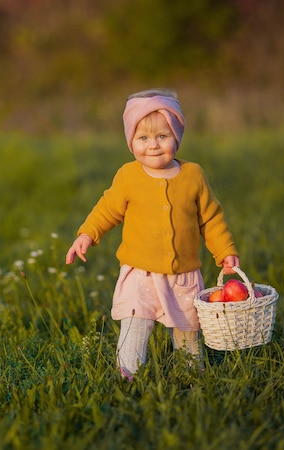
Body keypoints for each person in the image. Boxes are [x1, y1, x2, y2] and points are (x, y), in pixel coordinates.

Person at [65, 88, 239, 379]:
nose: (153, 145)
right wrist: (87, 234)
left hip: (183, 275)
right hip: (140, 273)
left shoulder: (193, 175)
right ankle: (128, 373)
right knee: (135, 324)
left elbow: (210, 217)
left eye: (162, 136)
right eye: (143, 138)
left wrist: (225, 251)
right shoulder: (128, 176)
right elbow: (107, 210)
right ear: (131, 142)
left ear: (177, 138)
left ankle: (189, 375)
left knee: (187, 330)